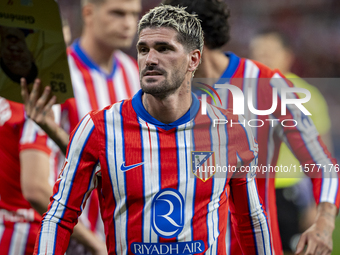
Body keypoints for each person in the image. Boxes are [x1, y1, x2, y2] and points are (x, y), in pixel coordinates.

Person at [29, 5, 273, 255]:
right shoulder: (98, 129)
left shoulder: (229, 132)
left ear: (194, 59)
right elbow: (58, 217)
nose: (150, 59)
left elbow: (251, 219)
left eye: (164, 48)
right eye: (143, 50)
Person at [161, 1, 339, 255]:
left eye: (168, 44)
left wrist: (323, 222)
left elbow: (322, 164)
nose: (159, 56)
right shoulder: (164, 92)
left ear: (195, 41)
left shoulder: (268, 85)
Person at [249, 28, 333, 254]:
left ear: (288, 56)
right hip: (249, 191)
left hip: (290, 192)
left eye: (269, 53)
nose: (262, 59)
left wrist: (316, 205)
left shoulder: (306, 96)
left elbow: (324, 155)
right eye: (257, 53)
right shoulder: (240, 95)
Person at [0, 96, 106, 255]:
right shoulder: (37, 104)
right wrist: (95, 244)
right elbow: (36, 190)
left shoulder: (7, 99)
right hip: (30, 236)